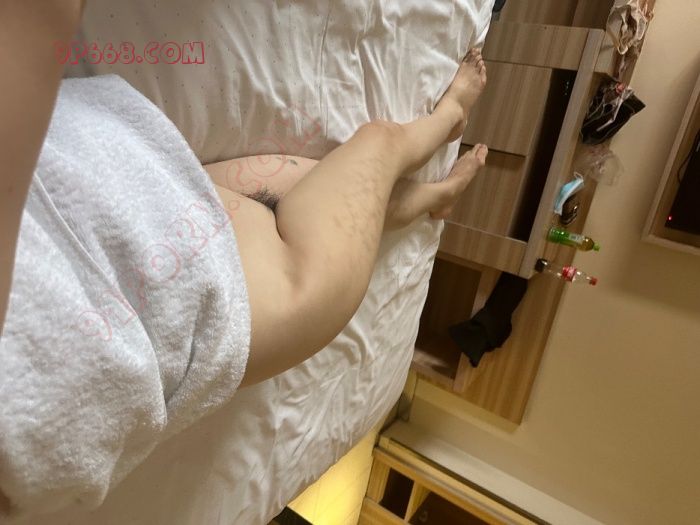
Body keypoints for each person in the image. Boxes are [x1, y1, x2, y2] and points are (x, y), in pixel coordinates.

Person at [0, 0, 487, 514]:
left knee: (318, 185)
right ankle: (448, 120)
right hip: (222, 296)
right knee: (377, 146)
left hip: (123, 187)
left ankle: (427, 198)